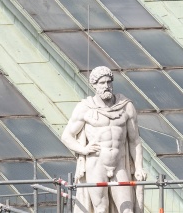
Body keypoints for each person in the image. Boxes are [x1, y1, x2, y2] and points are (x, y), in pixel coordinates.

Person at [61, 66, 146, 213]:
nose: (106, 86)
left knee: (127, 209)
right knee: (100, 209)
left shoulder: (126, 106)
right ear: (94, 85)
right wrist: (83, 149)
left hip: (119, 164)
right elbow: (66, 136)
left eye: (109, 82)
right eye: (102, 83)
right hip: (96, 164)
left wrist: (138, 167)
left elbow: (135, 141)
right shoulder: (85, 108)